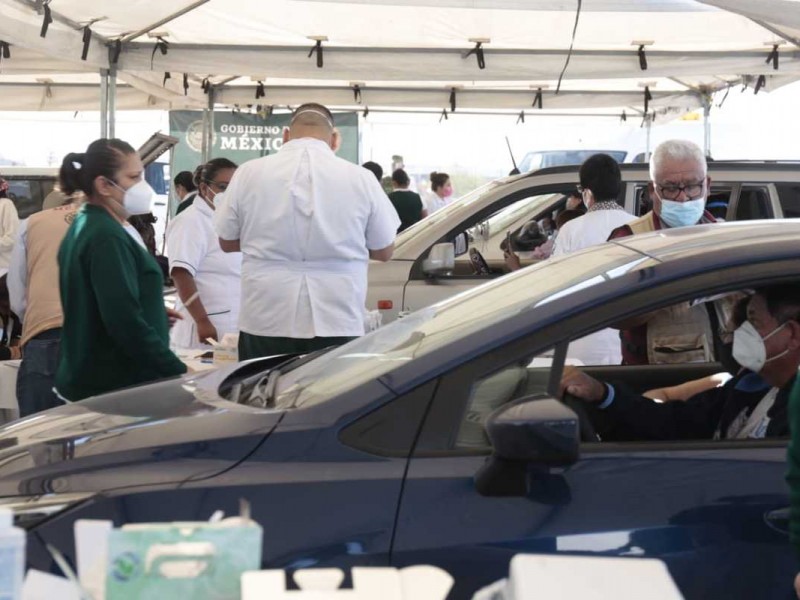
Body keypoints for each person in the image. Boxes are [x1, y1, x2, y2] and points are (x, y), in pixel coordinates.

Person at [214, 103, 400, 360]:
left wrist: (263, 242)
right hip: (337, 312)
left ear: (285, 136)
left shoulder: (249, 173)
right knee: (332, 394)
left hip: (265, 312)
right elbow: (383, 251)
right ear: (334, 140)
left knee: (260, 393)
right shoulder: (361, 178)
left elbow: (226, 241)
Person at [560, 284, 800, 441]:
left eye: (753, 323)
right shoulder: (753, 386)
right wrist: (603, 395)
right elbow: (678, 421)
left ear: (792, 334)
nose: (740, 333)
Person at [55, 138, 187, 402]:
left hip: (97, 380)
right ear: (104, 185)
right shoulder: (106, 236)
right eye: (134, 177)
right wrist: (178, 372)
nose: (143, 186)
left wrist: (150, 310)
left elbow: (103, 300)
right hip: (114, 387)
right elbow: (123, 322)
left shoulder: (91, 223)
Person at [607, 139, 717, 366]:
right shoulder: (628, 240)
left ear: (707, 185)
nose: (683, 197)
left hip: (717, 374)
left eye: (692, 186)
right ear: (652, 190)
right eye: (670, 188)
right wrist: (666, 289)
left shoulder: (725, 236)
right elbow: (612, 314)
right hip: (656, 376)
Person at [8, 195, 80, 416]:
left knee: (42, 433)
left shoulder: (31, 223)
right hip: (99, 336)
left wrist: (31, 321)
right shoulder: (115, 223)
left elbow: (17, 288)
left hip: (46, 332)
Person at [167, 158, 241, 349]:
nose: (229, 193)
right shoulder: (190, 222)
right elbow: (181, 274)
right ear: (203, 188)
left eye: (235, 187)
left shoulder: (228, 220)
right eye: (223, 186)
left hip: (229, 327)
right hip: (203, 330)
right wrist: (202, 321)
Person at [551, 153, 635, 258]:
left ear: (588, 193)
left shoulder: (570, 230)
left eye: (581, 189)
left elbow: (556, 269)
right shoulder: (639, 226)